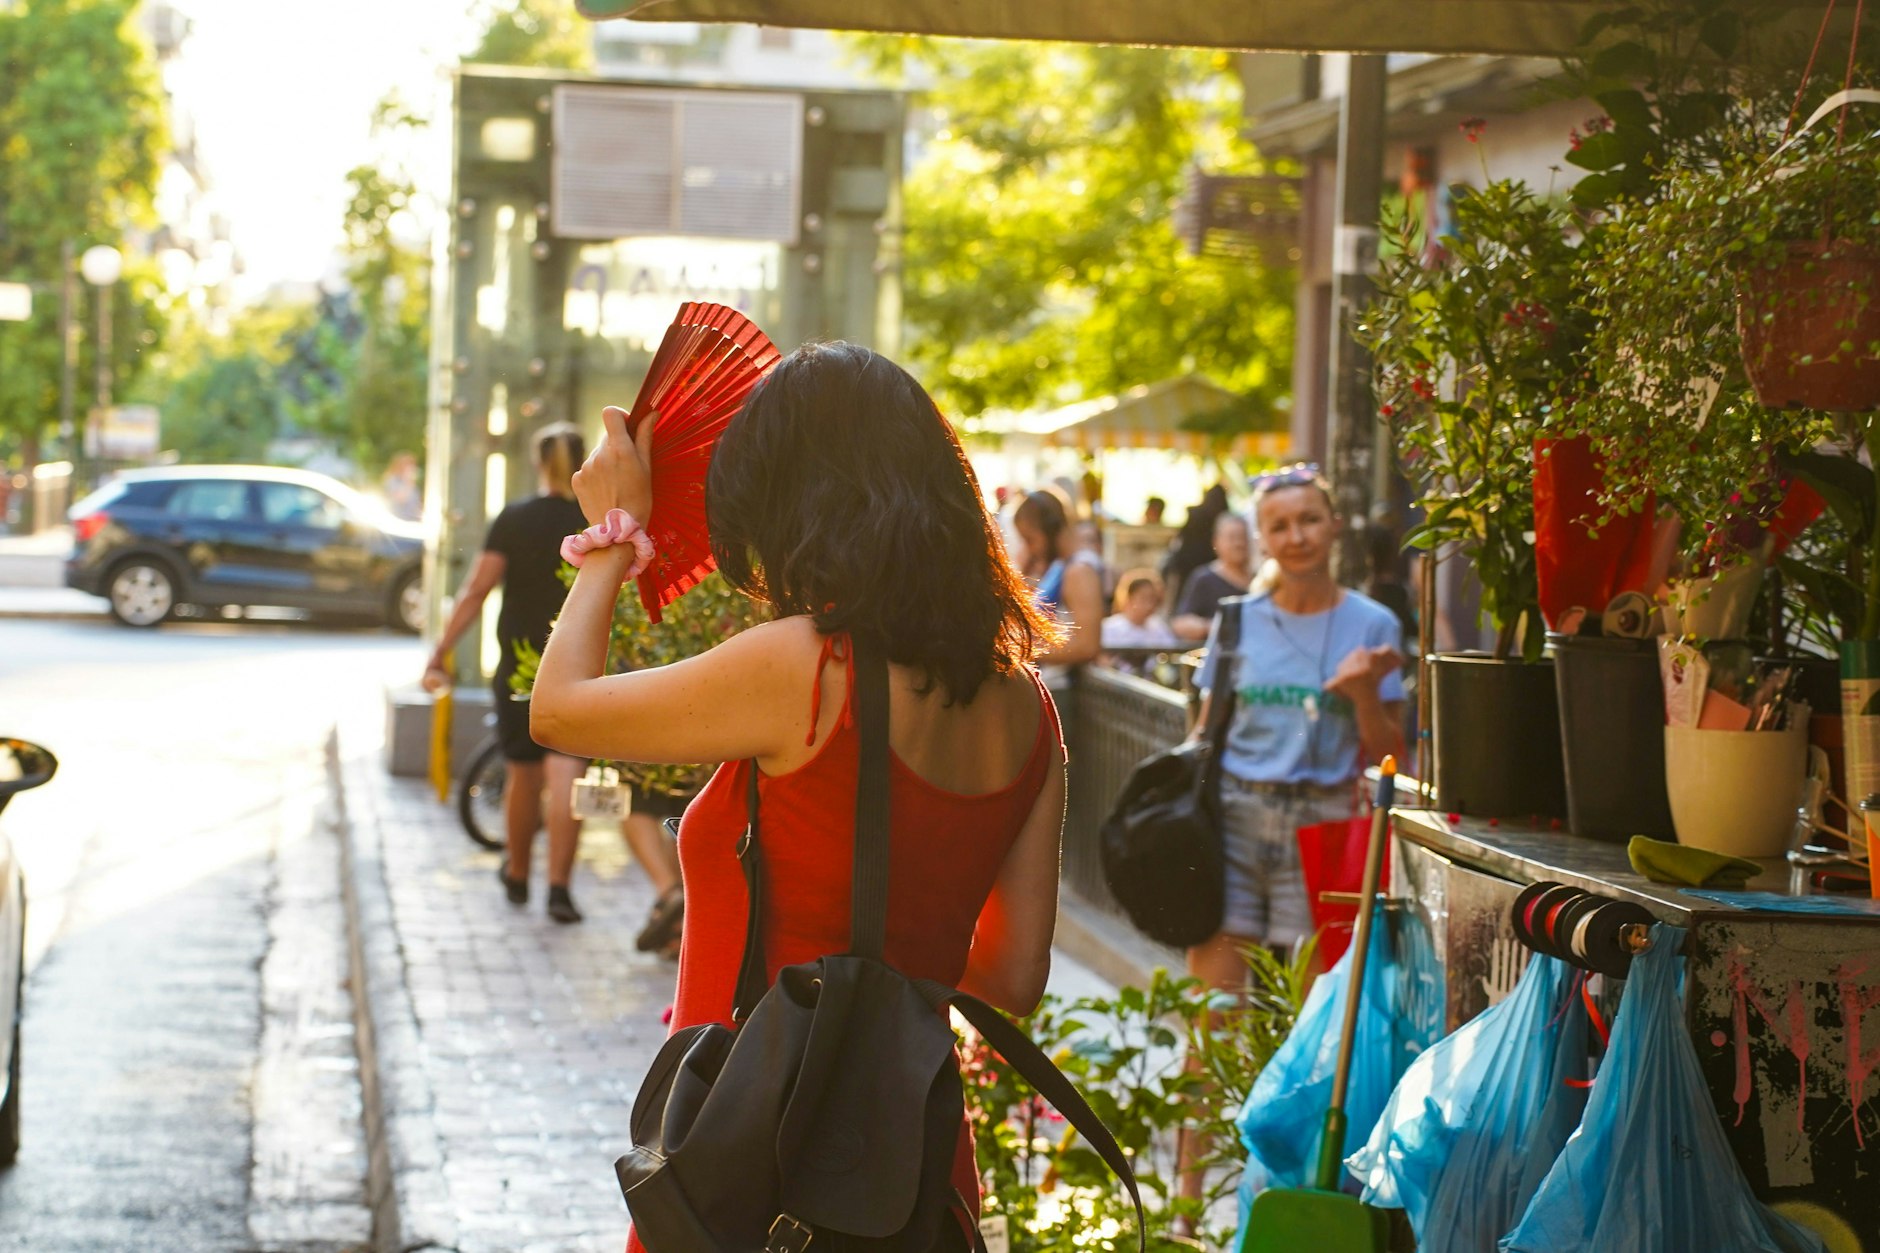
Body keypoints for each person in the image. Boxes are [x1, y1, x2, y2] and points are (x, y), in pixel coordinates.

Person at [525, 342, 1068, 1252]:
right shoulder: (1029, 709)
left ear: (795, 504)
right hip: (904, 1164)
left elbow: (558, 709)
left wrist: (612, 537)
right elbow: (1014, 976)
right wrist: (885, 945)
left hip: (756, 1151)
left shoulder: (808, 667)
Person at [1175, 464, 1406, 1214]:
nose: (1296, 536)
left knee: (1313, 1029)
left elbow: (1393, 757)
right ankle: (1183, 1204)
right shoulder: (1237, 618)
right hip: (1237, 822)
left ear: (1334, 525)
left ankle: (1284, 1196)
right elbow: (1203, 733)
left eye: (1310, 519)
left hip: (1323, 826)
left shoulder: (1373, 624)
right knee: (1213, 1017)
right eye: (1280, 525)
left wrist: (1364, 690)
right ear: (1261, 535)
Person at [423, 424, 590, 924]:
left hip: (521, 663)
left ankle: (518, 874)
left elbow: (476, 590)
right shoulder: (595, 521)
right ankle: (559, 889)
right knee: (567, 776)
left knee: (524, 773)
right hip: (580, 661)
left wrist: (441, 649)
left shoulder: (514, 519)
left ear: (540, 463)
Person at [1013, 488, 1104, 691]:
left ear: (1049, 530)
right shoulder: (1060, 566)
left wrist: (1022, 650)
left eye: (1030, 539)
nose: (1029, 548)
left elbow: (1087, 645)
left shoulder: (1079, 570)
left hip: (1062, 689)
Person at [1170, 511, 1256, 642]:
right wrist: (1212, 627)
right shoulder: (1204, 578)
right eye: (1232, 538)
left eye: (1243, 537)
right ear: (1216, 542)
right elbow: (1180, 623)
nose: (1239, 544)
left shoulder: (1260, 578)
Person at [1101, 569, 1180, 675]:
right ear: (1129, 597)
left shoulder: (1159, 628)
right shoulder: (1109, 628)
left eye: (1153, 599)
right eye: (1144, 598)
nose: (1149, 605)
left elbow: (1171, 657)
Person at [382, 451, 422, 521]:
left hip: (412, 520)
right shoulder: (392, 480)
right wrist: (408, 481)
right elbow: (400, 499)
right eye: (410, 465)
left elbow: (415, 503)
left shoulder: (412, 483)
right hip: (398, 521)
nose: (413, 468)